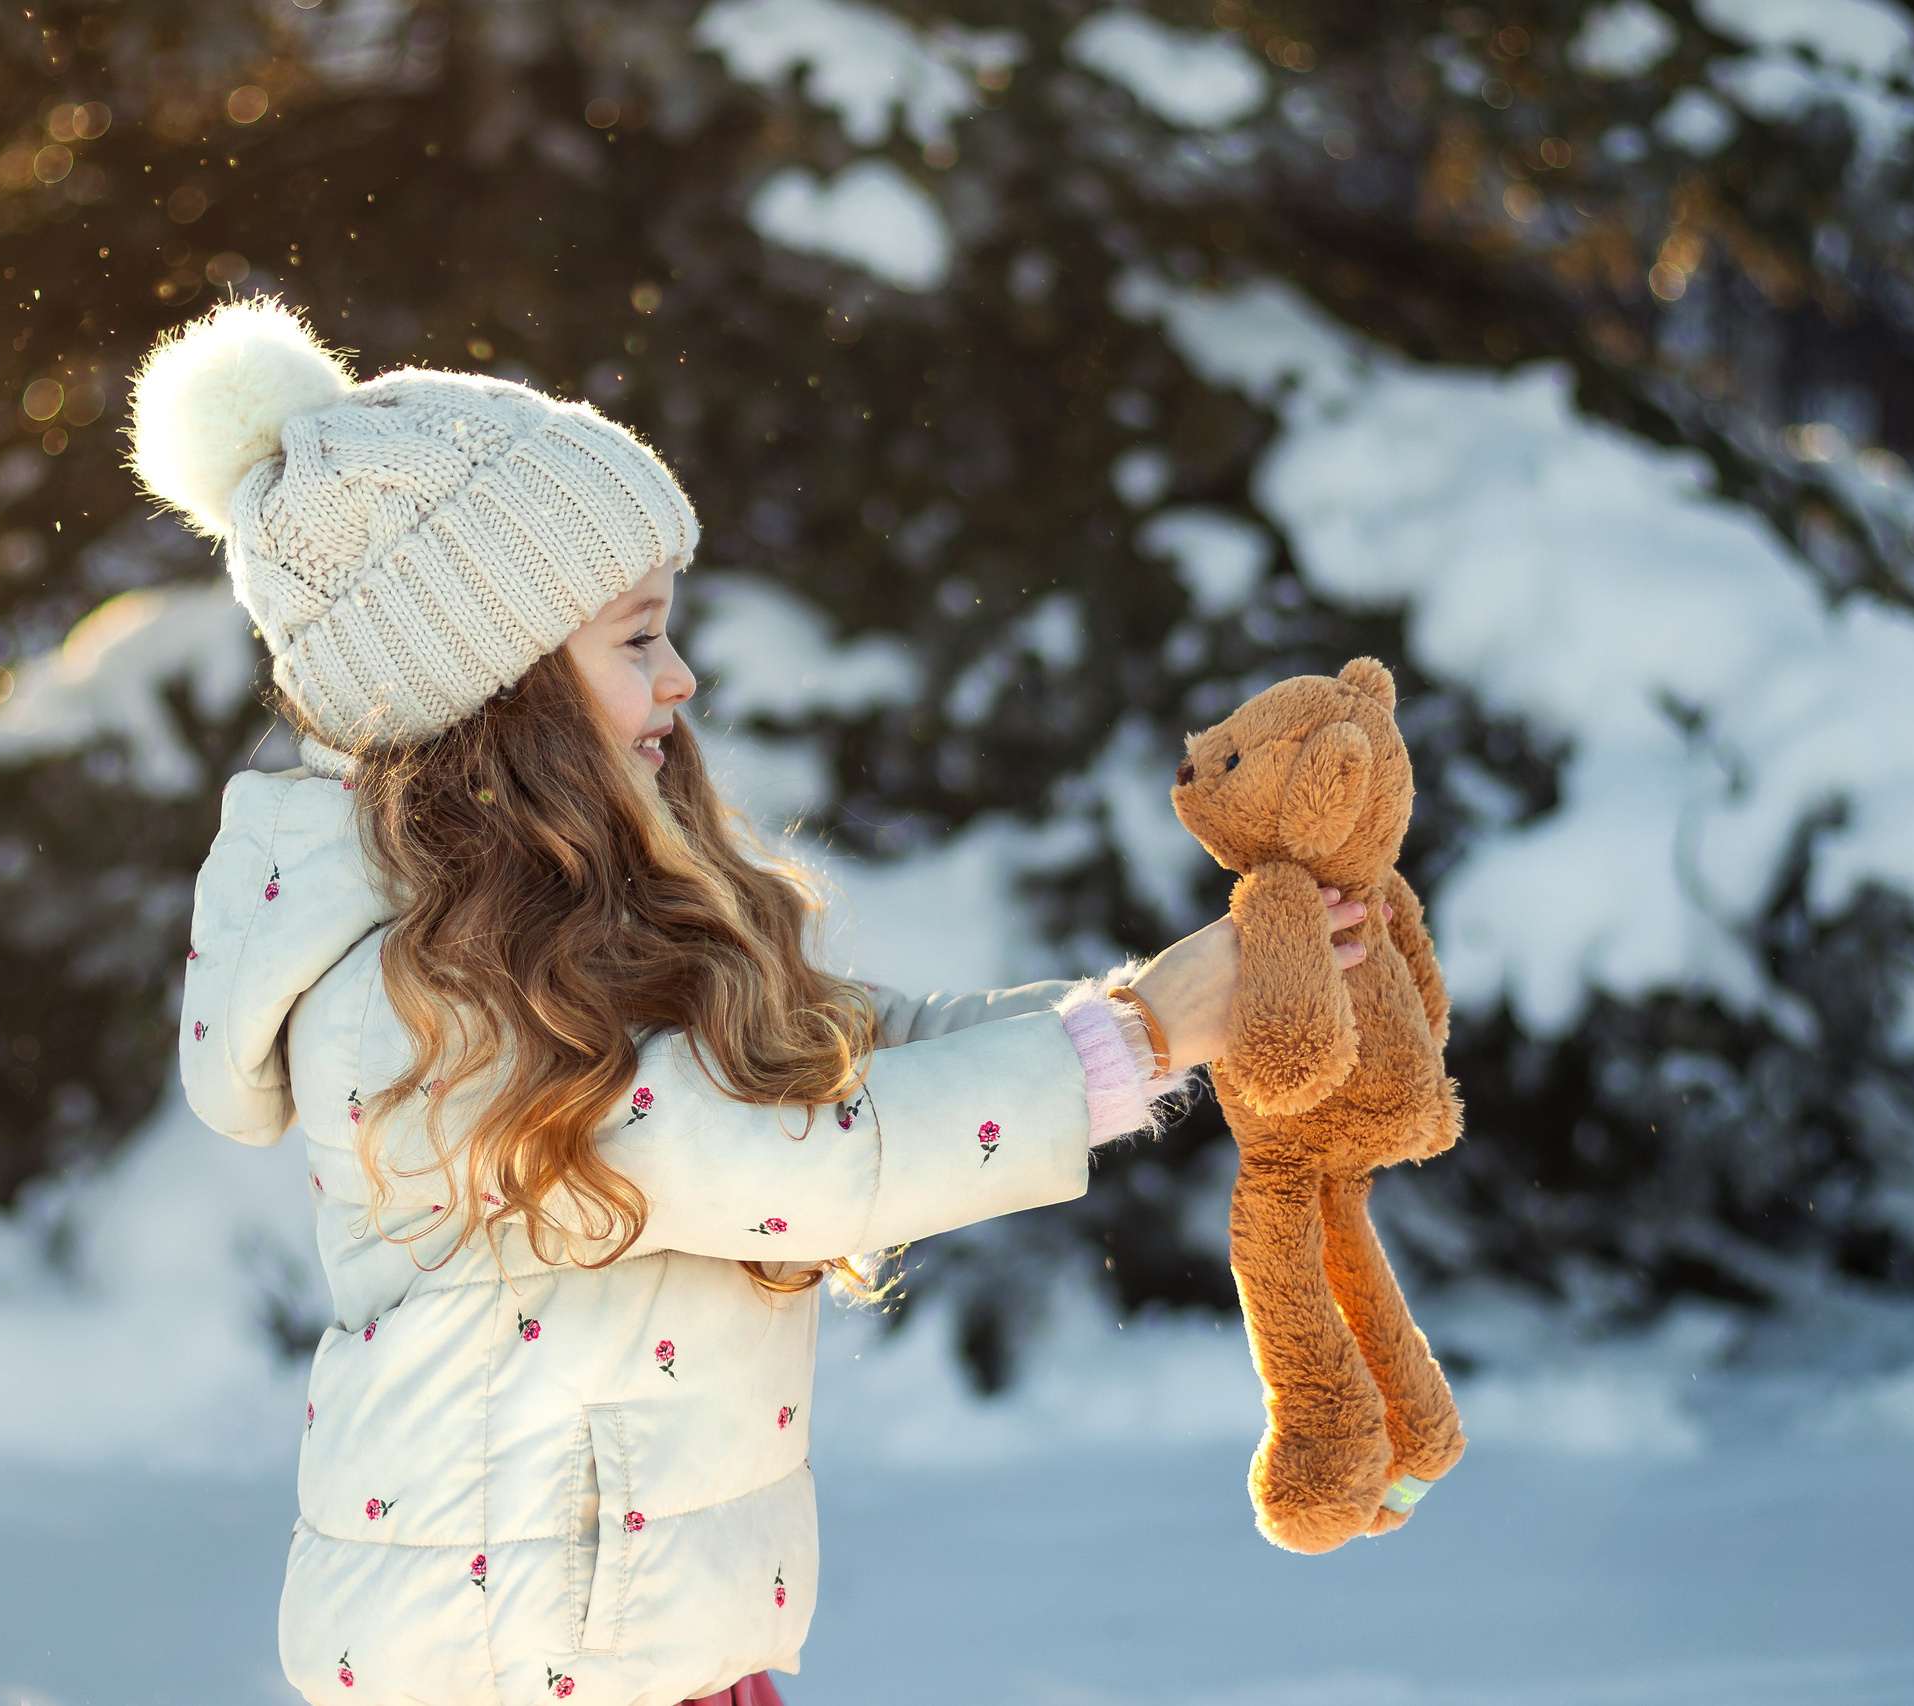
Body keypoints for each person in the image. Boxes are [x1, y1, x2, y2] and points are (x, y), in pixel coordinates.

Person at [138, 299, 1370, 1706]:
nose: (682, 675)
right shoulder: (423, 993)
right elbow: (795, 1163)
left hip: (641, 1640)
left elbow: (837, 1055)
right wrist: (1149, 1037)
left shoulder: (544, 932)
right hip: (522, 1664)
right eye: (637, 638)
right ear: (503, 688)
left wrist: (1147, 1000)